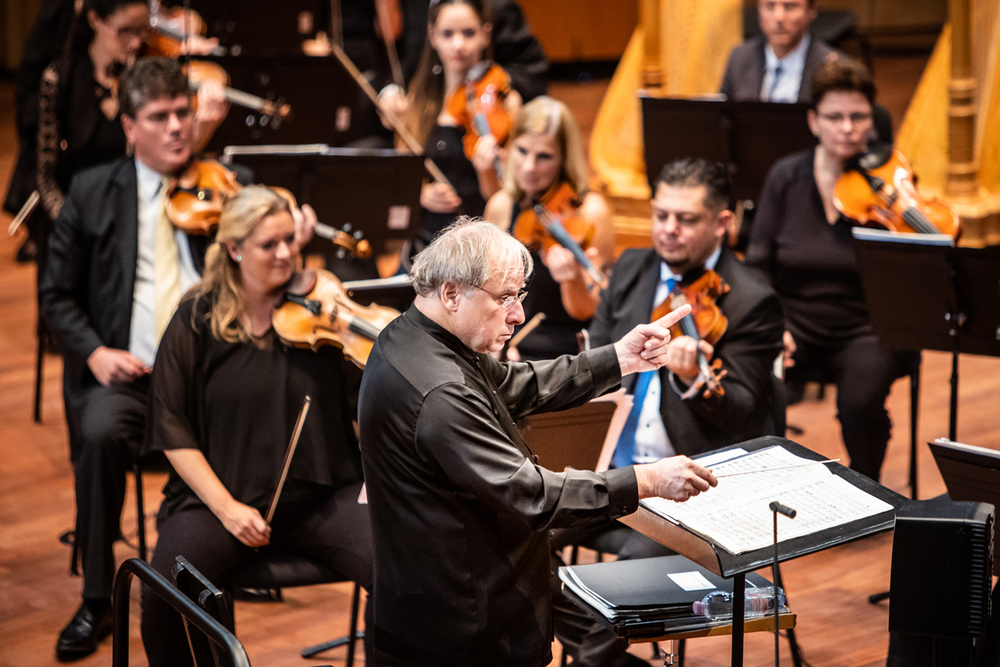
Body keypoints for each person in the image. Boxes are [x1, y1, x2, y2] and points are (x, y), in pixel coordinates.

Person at [39, 57, 311, 661]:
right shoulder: (91, 190)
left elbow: (271, 259)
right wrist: (95, 353)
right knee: (101, 430)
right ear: (130, 127)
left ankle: (236, 553)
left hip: (217, 376)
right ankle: (95, 597)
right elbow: (56, 294)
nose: (176, 128)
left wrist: (292, 240)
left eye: (183, 114)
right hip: (132, 373)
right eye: (159, 118)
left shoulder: (228, 183)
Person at [358, 218, 719, 667]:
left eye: (520, 297)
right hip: (462, 634)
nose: (518, 314)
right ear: (451, 293)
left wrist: (618, 359)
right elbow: (532, 495)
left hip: (434, 610)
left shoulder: (409, 336)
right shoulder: (440, 392)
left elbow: (513, 384)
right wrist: (645, 480)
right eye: (504, 298)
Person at [551, 158, 785, 667]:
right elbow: (598, 370)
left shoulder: (751, 299)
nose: (668, 230)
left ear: (723, 222)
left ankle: (598, 654)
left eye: (686, 219)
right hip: (617, 474)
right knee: (519, 535)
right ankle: (608, 657)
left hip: (691, 494)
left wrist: (694, 381)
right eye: (661, 215)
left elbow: (748, 416)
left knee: (624, 586)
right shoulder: (633, 269)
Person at [140, 186, 373, 667]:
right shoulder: (197, 317)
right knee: (163, 599)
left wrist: (356, 337)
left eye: (290, 239)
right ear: (234, 248)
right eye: (269, 244)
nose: (286, 253)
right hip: (222, 502)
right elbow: (170, 423)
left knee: (410, 570)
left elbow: (368, 399)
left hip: (321, 497)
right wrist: (227, 510)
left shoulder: (319, 311)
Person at [745, 57, 916, 482]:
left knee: (859, 402)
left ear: (871, 120)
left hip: (868, 327)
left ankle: (866, 485)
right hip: (796, 321)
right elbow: (758, 263)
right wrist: (772, 324)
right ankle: (765, 481)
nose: (847, 128)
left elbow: (916, 274)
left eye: (858, 116)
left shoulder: (892, 185)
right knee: (754, 381)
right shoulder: (786, 176)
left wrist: (911, 216)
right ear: (813, 121)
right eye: (834, 117)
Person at [35, 0, 227, 223]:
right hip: (77, 214)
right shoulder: (61, 79)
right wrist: (70, 222)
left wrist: (203, 126)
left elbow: (166, 164)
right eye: (125, 31)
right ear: (95, 19)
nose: (135, 43)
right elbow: (46, 177)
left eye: (143, 31)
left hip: (135, 213)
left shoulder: (143, 80)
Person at [378, 0, 521, 262]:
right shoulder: (416, 103)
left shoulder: (506, 102)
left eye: (468, 33)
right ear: (432, 36)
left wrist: (486, 171)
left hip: (480, 246)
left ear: (485, 35)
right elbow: (402, 180)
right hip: (427, 245)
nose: (458, 45)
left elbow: (504, 197)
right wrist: (421, 194)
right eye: (447, 34)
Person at [484, 95, 614, 360]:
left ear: (565, 159)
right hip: (514, 350)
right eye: (522, 151)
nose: (529, 166)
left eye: (544, 156)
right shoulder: (501, 207)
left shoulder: (590, 212)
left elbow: (588, 310)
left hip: (573, 352)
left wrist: (572, 279)